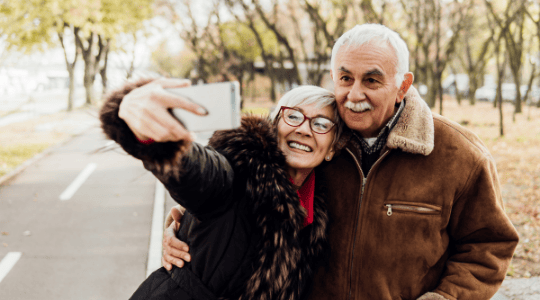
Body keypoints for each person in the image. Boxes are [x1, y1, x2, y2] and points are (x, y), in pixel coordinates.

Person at [159, 24, 520, 300]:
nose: (355, 94)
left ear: (403, 85)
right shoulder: (319, 142)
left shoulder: (458, 155)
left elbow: (489, 246)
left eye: (372, 80)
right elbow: (245, 188)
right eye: (345, 78)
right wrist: (187, 221)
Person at [99, 82, 343, 300]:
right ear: (274, 125)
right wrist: (149, 132)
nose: (304, 129)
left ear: (332, 148)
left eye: (321, 124)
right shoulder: (237, 171)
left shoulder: (321, 216)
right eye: (293, 116)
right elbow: (198, 170)